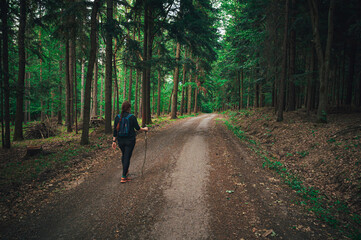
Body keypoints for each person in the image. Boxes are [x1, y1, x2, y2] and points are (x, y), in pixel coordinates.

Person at [112, 101, 148, 183]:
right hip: (130, 140)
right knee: (127, 157)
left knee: (124, 155)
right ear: (129, 108)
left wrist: (114, 141)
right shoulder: (132, 117)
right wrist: (145, 129)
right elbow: (138, 129)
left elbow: (115, 130)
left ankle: (126, 171)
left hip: (120, 141)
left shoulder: (117, 117)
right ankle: (123, 176)